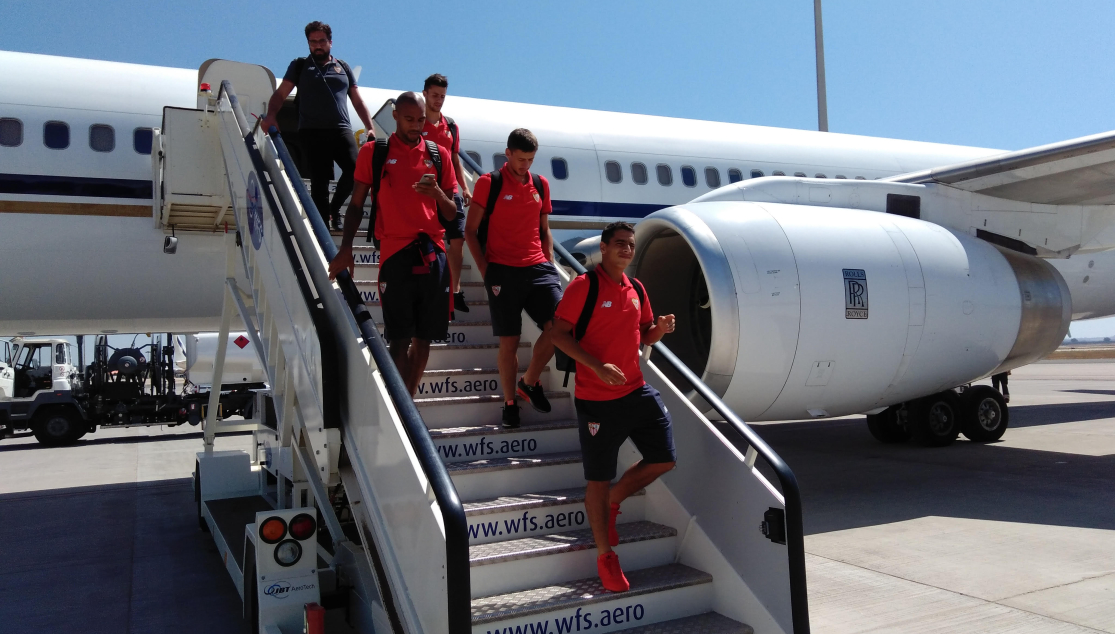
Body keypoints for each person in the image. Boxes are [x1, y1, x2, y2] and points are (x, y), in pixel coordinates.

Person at [550, 222, 677, 593]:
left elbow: (644, 333)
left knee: (664, 459)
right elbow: (556, 334)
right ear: (603, 248)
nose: (626, 249)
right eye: (619, 244)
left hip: (636, 391)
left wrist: (661, 330)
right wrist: (596, 366)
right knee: (597, 480)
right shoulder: (583, 287)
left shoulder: (636, 288)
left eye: (630, 245)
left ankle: (614, 502)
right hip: (597, 401)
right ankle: (606, 557)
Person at [328, 92, 458, 395]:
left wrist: (438, 194)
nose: (416, 126)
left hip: (434, 254)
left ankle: (407, 401)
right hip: (396, 255)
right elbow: (357, 204)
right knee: (398, 339)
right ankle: (402, 405)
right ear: (396, 115)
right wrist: (346, 247)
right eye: (409, 119)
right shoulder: (375, 152)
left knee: (424, 340)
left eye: (421, 120)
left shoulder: (440, 155)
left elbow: (451, 214)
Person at [465, 129, 559, 429]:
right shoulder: (488, 183)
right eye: (520, 159)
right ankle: (509, 404)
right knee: (510, 341)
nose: (525, 166)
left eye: (530, 160)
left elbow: (544, 229)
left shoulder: (540, 184)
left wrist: (550, 263)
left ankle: (529, 382)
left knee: (561, 327)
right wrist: (484, 269)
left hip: (538, 268)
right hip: (502, 270)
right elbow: (470, 230)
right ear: (508, 154)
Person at [261, 21, 374, 232]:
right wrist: (271, 115)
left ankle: (335, 208)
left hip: (341, 128)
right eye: (313, 42)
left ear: (330, 42)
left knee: (356, 170)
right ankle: (322, 230)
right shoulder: (300, 65)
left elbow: (357, 101)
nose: (317, 45)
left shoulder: (343, 67)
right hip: (312, 131)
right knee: (320, 183)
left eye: (322, 41)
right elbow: (280, 94)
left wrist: (370, 127)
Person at [422, 74, 473, 313]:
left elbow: (455, 158)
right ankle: (436, 288)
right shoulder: (416, 122)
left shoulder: (450, 126)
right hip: (425, 191)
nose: (438, 100)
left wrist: (464, 186)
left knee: (457, 238)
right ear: (424, 94)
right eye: (434, 95)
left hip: (450, 189)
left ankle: (456, 290)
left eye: (442, 96)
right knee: (430, 239)